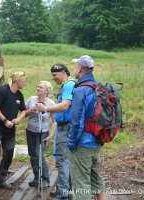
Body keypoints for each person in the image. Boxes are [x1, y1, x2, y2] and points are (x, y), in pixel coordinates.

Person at [67, 55, 106, 200]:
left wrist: (71, 144)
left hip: (82, 144)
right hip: (97, 139)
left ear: (80, 69)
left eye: (75, 66)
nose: (74, 68)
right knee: (96, 180)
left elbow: (77, 121)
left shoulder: (81, 90)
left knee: (81, 185)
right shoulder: (98, 87)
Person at [36, 64, 75, 200]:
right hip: (66, 127)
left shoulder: (69, 85)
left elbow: (65, 106)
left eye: (55, 75)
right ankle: (65, 189)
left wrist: (45, 108)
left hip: (66, 128)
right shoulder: (68, 85)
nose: (53, 78)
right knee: (66, 160)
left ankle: (62, 194)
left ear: (63, 72)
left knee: (62, 160)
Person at [25, 80, 57, 189]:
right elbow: (24, 114)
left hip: (43, 132)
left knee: (39, 155)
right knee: (32, 155)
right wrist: (31, 110)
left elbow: (54, 121)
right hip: (30, 131)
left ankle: (45, 179)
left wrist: (51, 135)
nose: (38, 88)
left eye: (41, 87)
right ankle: (36, 177)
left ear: (47, 91)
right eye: (37, 86)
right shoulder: (31, 99)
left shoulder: (51, 103)